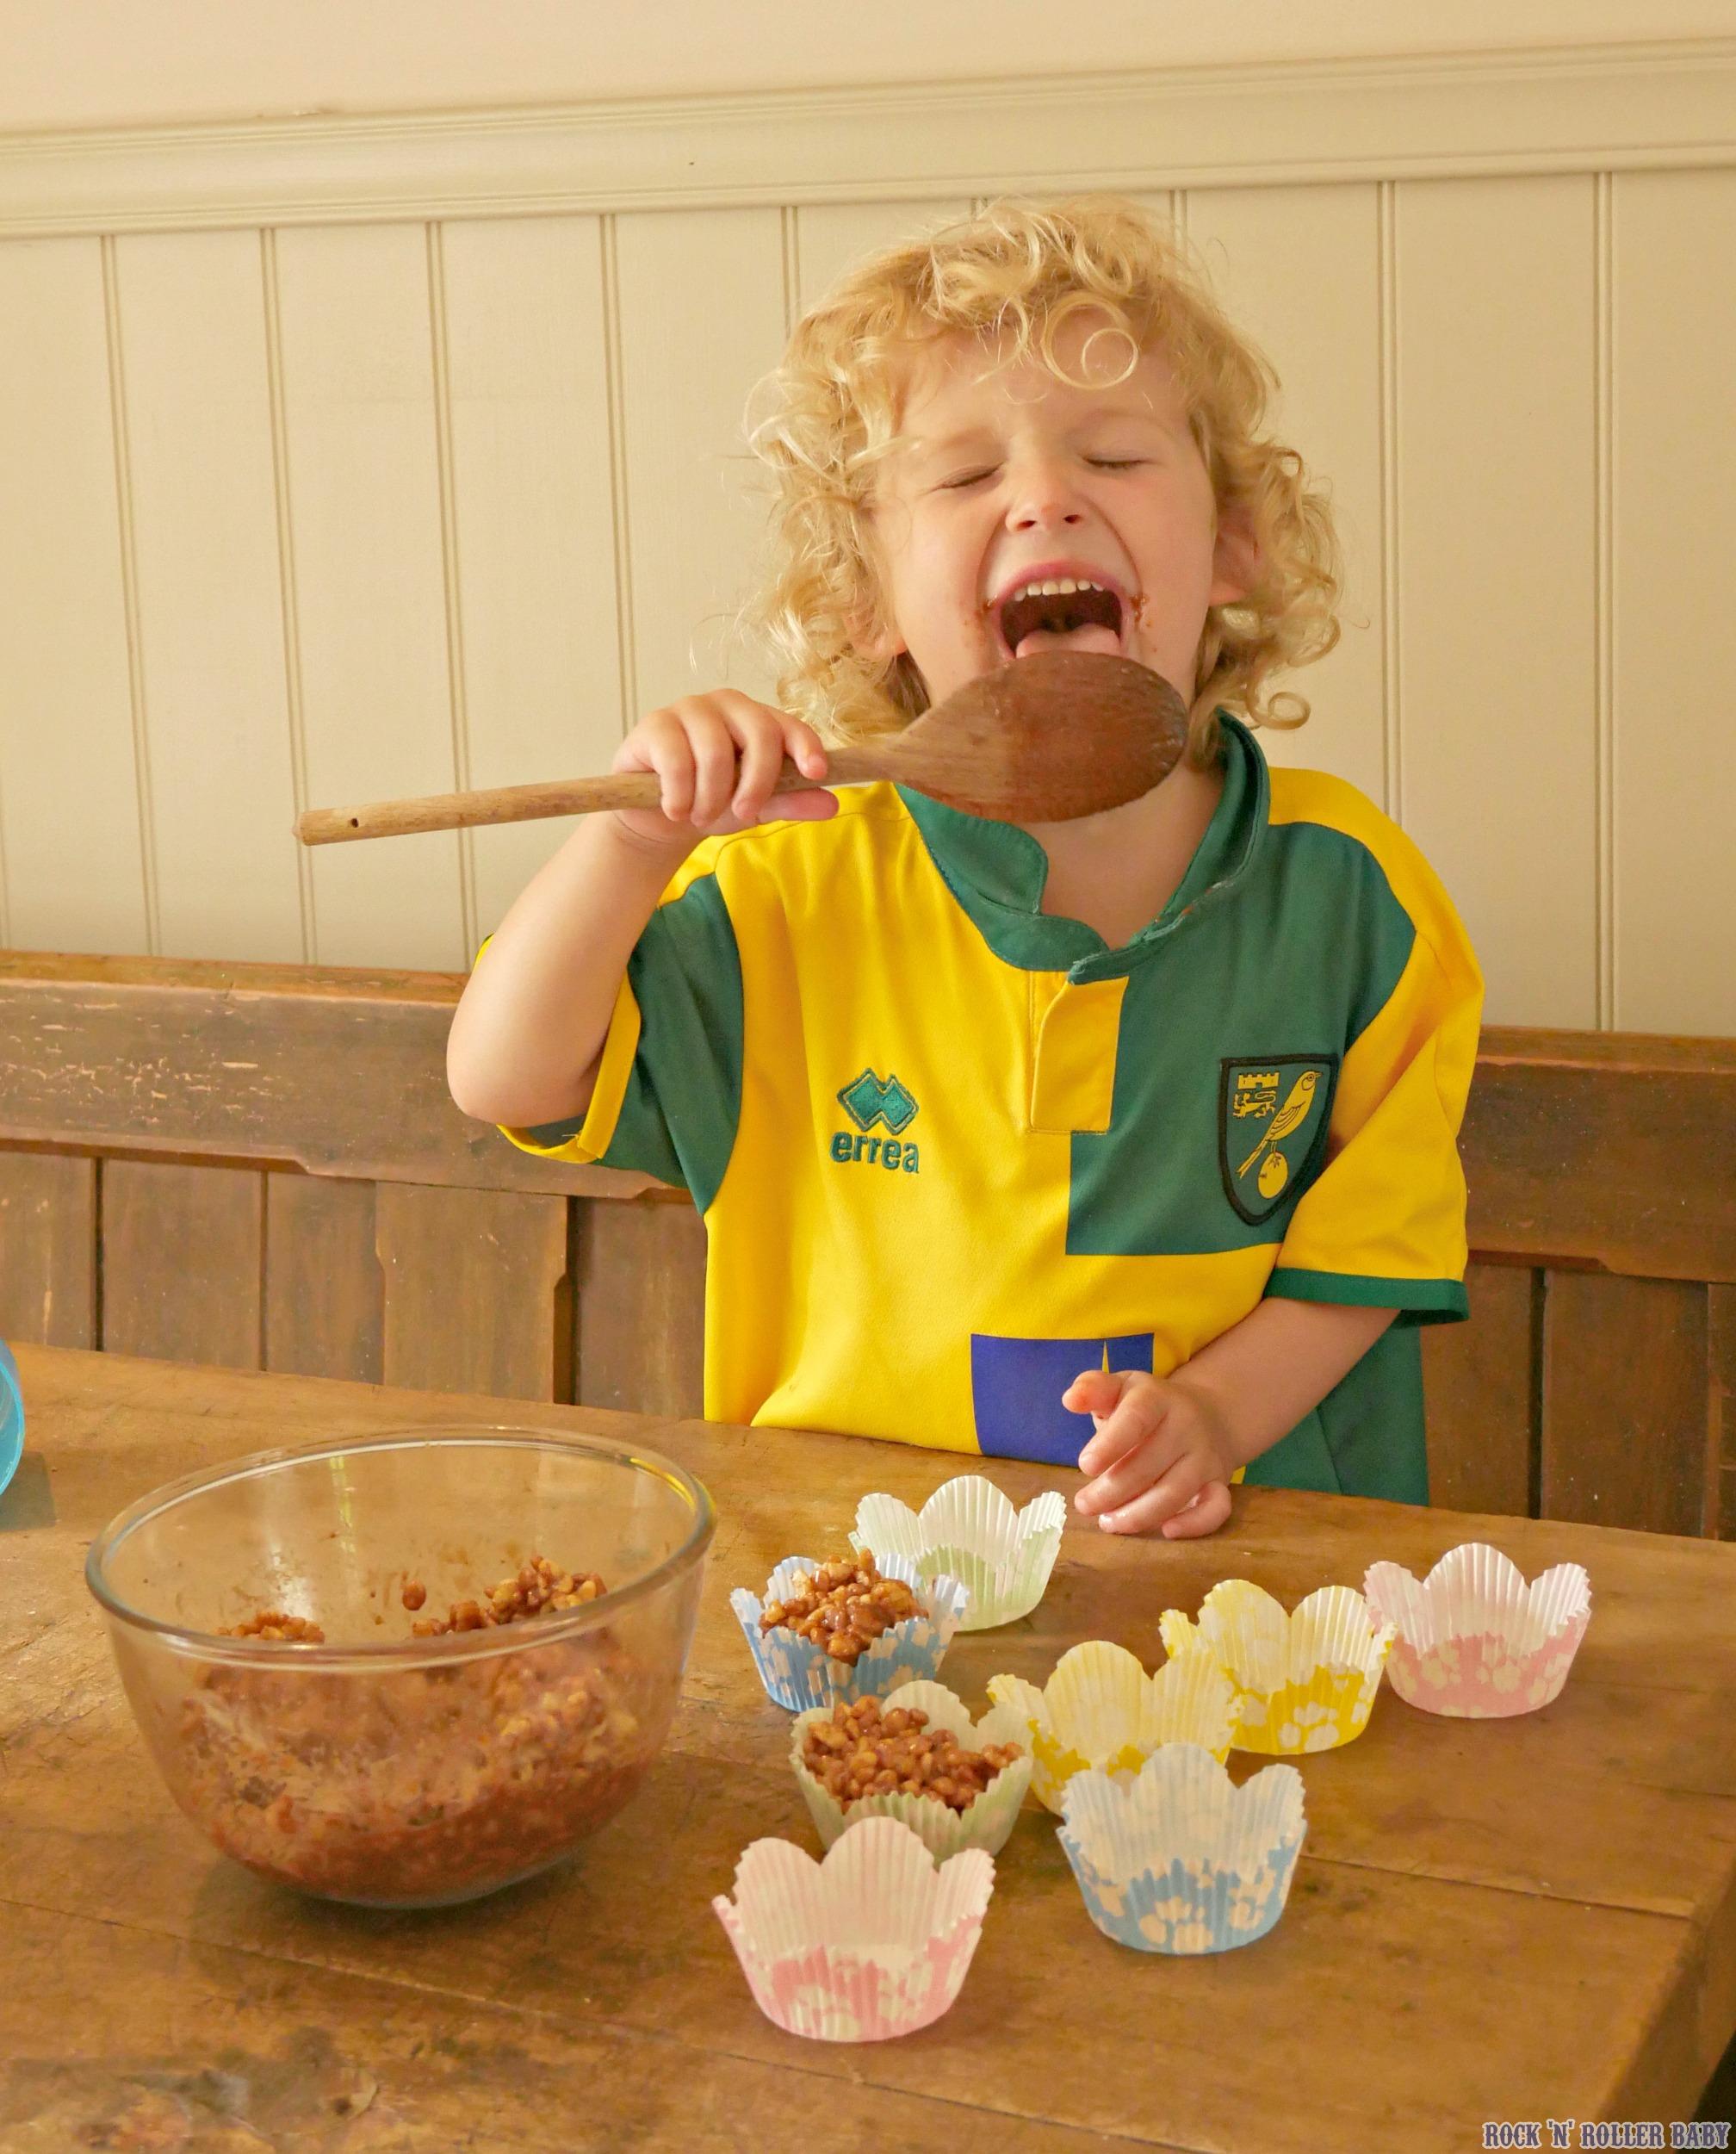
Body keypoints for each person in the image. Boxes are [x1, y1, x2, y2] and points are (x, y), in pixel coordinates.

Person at [447, 196, 1482, 1541]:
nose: (1046, 496)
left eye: (1113, 455)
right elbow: (503, 1076)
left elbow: (1377, 1247)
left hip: (1239, 1587)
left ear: (1234, 544)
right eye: (960, 477)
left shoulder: (1352, 894)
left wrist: (1216, 1414)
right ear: (864, 600)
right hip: (860, 1592)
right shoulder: (787, 883)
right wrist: (634, 840)